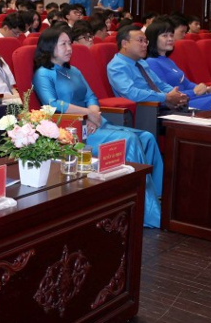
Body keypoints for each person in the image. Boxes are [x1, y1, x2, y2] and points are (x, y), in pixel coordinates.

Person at [31, 26, 163, 228]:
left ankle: (156, 198)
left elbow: (91, 96)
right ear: (49, 48)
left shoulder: (73, 71)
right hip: (69, 130)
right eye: (63, 44)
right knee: (129, 140)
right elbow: (52, 105)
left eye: (70, 43)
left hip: (92, 124)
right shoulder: (43, 73)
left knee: (146, 137)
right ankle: (142, 210)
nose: (69, 48)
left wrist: (92, 114)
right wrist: (86, 114)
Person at [144, 19, 211, 110]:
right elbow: (166, 94)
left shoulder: (168, 60)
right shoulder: (151, 62)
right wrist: (194, 92)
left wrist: (207, 90)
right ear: (153, 39)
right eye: (165, 36)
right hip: (178, 106)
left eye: (171, 35)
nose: (170, 39)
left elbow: (187, 83)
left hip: (189, 99)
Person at [107, 26, 188, 110]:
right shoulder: (116, 66)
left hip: (161, 106)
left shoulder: (141, 62)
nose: (145, 45)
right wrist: (165, 97)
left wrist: (178, 95)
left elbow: (159, 84)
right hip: (144, 112)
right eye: (140, 41)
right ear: (125, 44)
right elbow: (131, 94)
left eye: (146, 41)